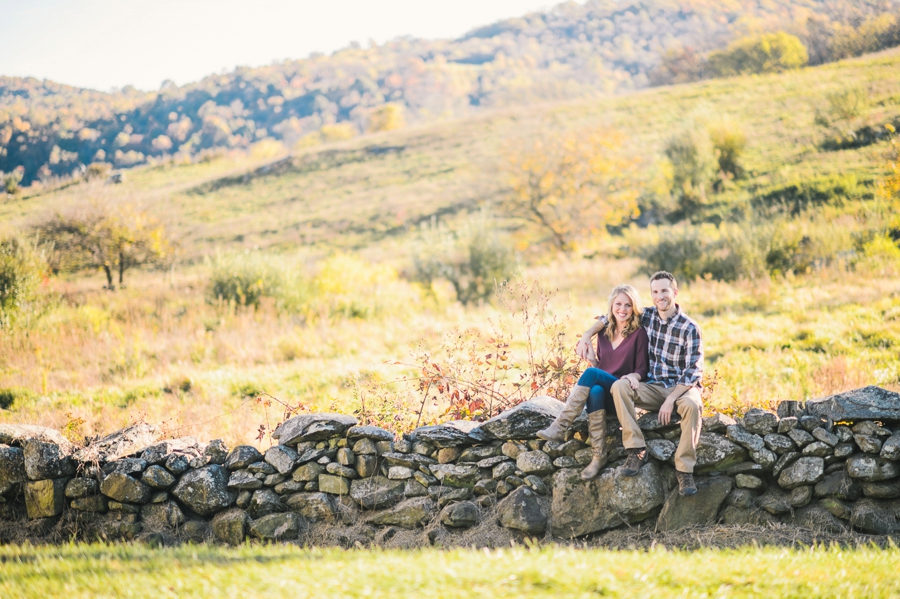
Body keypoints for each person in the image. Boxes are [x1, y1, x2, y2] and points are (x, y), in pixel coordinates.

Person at [575, 270, 703, 496]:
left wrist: (671, 400)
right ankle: (636, 449)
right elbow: (612, 316)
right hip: (653, 386)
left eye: (664, 291)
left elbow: (693, 373)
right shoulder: (648, 316)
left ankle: (684, 471)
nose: (659, 296)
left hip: (682, 390)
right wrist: (587, 335)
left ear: (674, 292)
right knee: (620, 385)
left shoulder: (689, 327)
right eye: (654, 292)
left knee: (693, 406)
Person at [537, 284, 649, 481]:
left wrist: (634, 376)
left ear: (634, 308)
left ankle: (560, 425)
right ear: (611, 306)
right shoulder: (603, 333)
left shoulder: (638, 333)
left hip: (622, 396)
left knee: (591, 374)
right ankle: (598, 456)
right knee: (595, 389)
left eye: (628, 305)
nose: (622, 309)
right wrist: (594, 361)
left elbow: (642, 369)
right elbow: (603, 369)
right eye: (618, 304)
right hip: (604, 396)